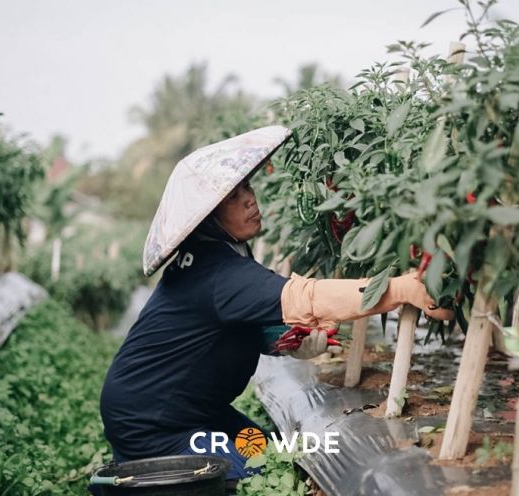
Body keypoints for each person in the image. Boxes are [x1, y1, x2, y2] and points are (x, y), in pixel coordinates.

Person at [99, 126, 452, 482]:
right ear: (208, 217)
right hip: (153, 426)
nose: (250, 200)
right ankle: (147, 475)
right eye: (233, 198)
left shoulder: (216, 253)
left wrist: (285, 338)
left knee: (272, 449)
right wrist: (400, 290)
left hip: (186, 411)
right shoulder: (220, 272)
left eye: (247, 189)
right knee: (266, 470)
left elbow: (229, 324)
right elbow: (304, 297)